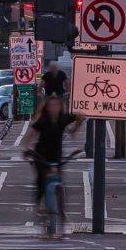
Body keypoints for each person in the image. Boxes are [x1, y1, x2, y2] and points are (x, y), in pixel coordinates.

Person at [26, 82, 77, 240]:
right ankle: (40, 206)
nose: (54, 108)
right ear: (47, 107)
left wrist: (74, 129)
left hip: (56, 157)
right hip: (41, 157)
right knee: (41, 182)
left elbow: (79, 116)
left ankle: (60, 215)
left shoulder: (63, 119)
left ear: (61, 106)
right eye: (51, 105)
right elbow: (28, 137)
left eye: (56, 105)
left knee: (60, 185)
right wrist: (27, 150)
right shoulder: (42, 120)